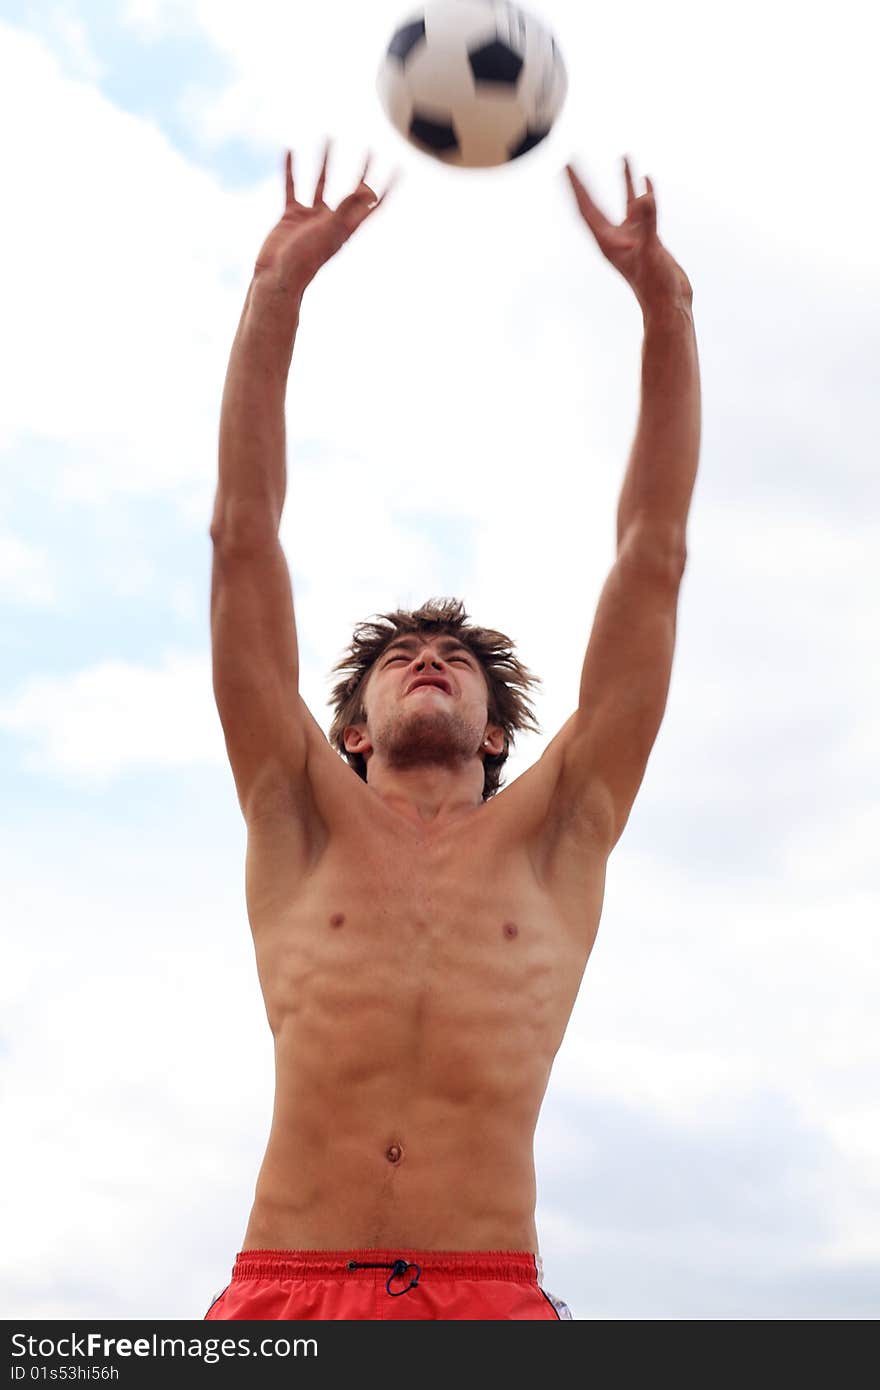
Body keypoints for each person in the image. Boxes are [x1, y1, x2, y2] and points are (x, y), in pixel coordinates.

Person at [204, 141, 700, 1321]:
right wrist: (275, 294)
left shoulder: (560, 829)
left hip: (486, 1299)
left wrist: (665, 312)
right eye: (395, 661)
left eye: (457, 662)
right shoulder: (297, 808)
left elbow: (654, 559)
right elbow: (240, 539)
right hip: (288, 1292)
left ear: (492, 734)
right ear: (355, 732)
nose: (428, 662)